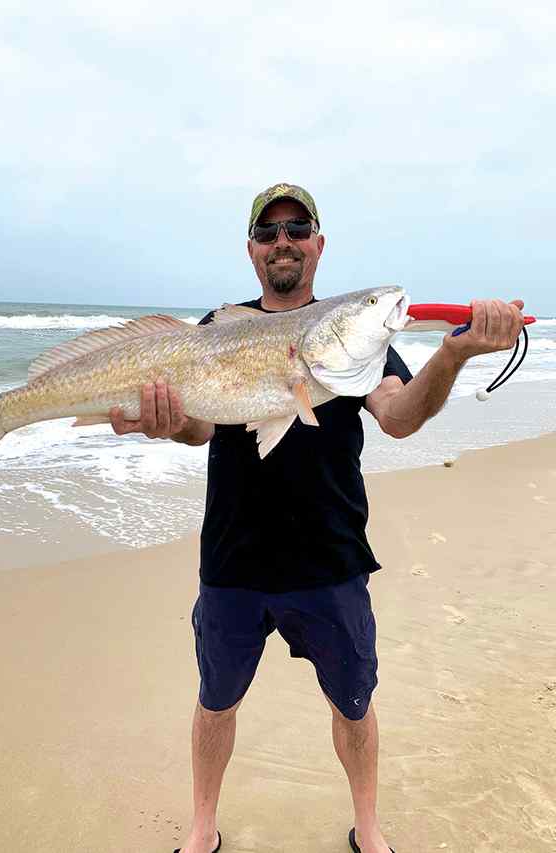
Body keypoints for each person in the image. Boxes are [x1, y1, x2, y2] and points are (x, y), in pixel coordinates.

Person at [110, 183, 525, 853]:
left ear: (318, 244)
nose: (283, 241)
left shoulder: (354, 341)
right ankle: (201, 828)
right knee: (216, 700)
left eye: (297, 227)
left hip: (330, 559)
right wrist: (164, 420)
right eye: (269, 231)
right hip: (233, 559)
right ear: (252, 250)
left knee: (353, 703)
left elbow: (398, 414)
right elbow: (195, 427)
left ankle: (368, 825)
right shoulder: (218, 327)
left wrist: (449, 354)